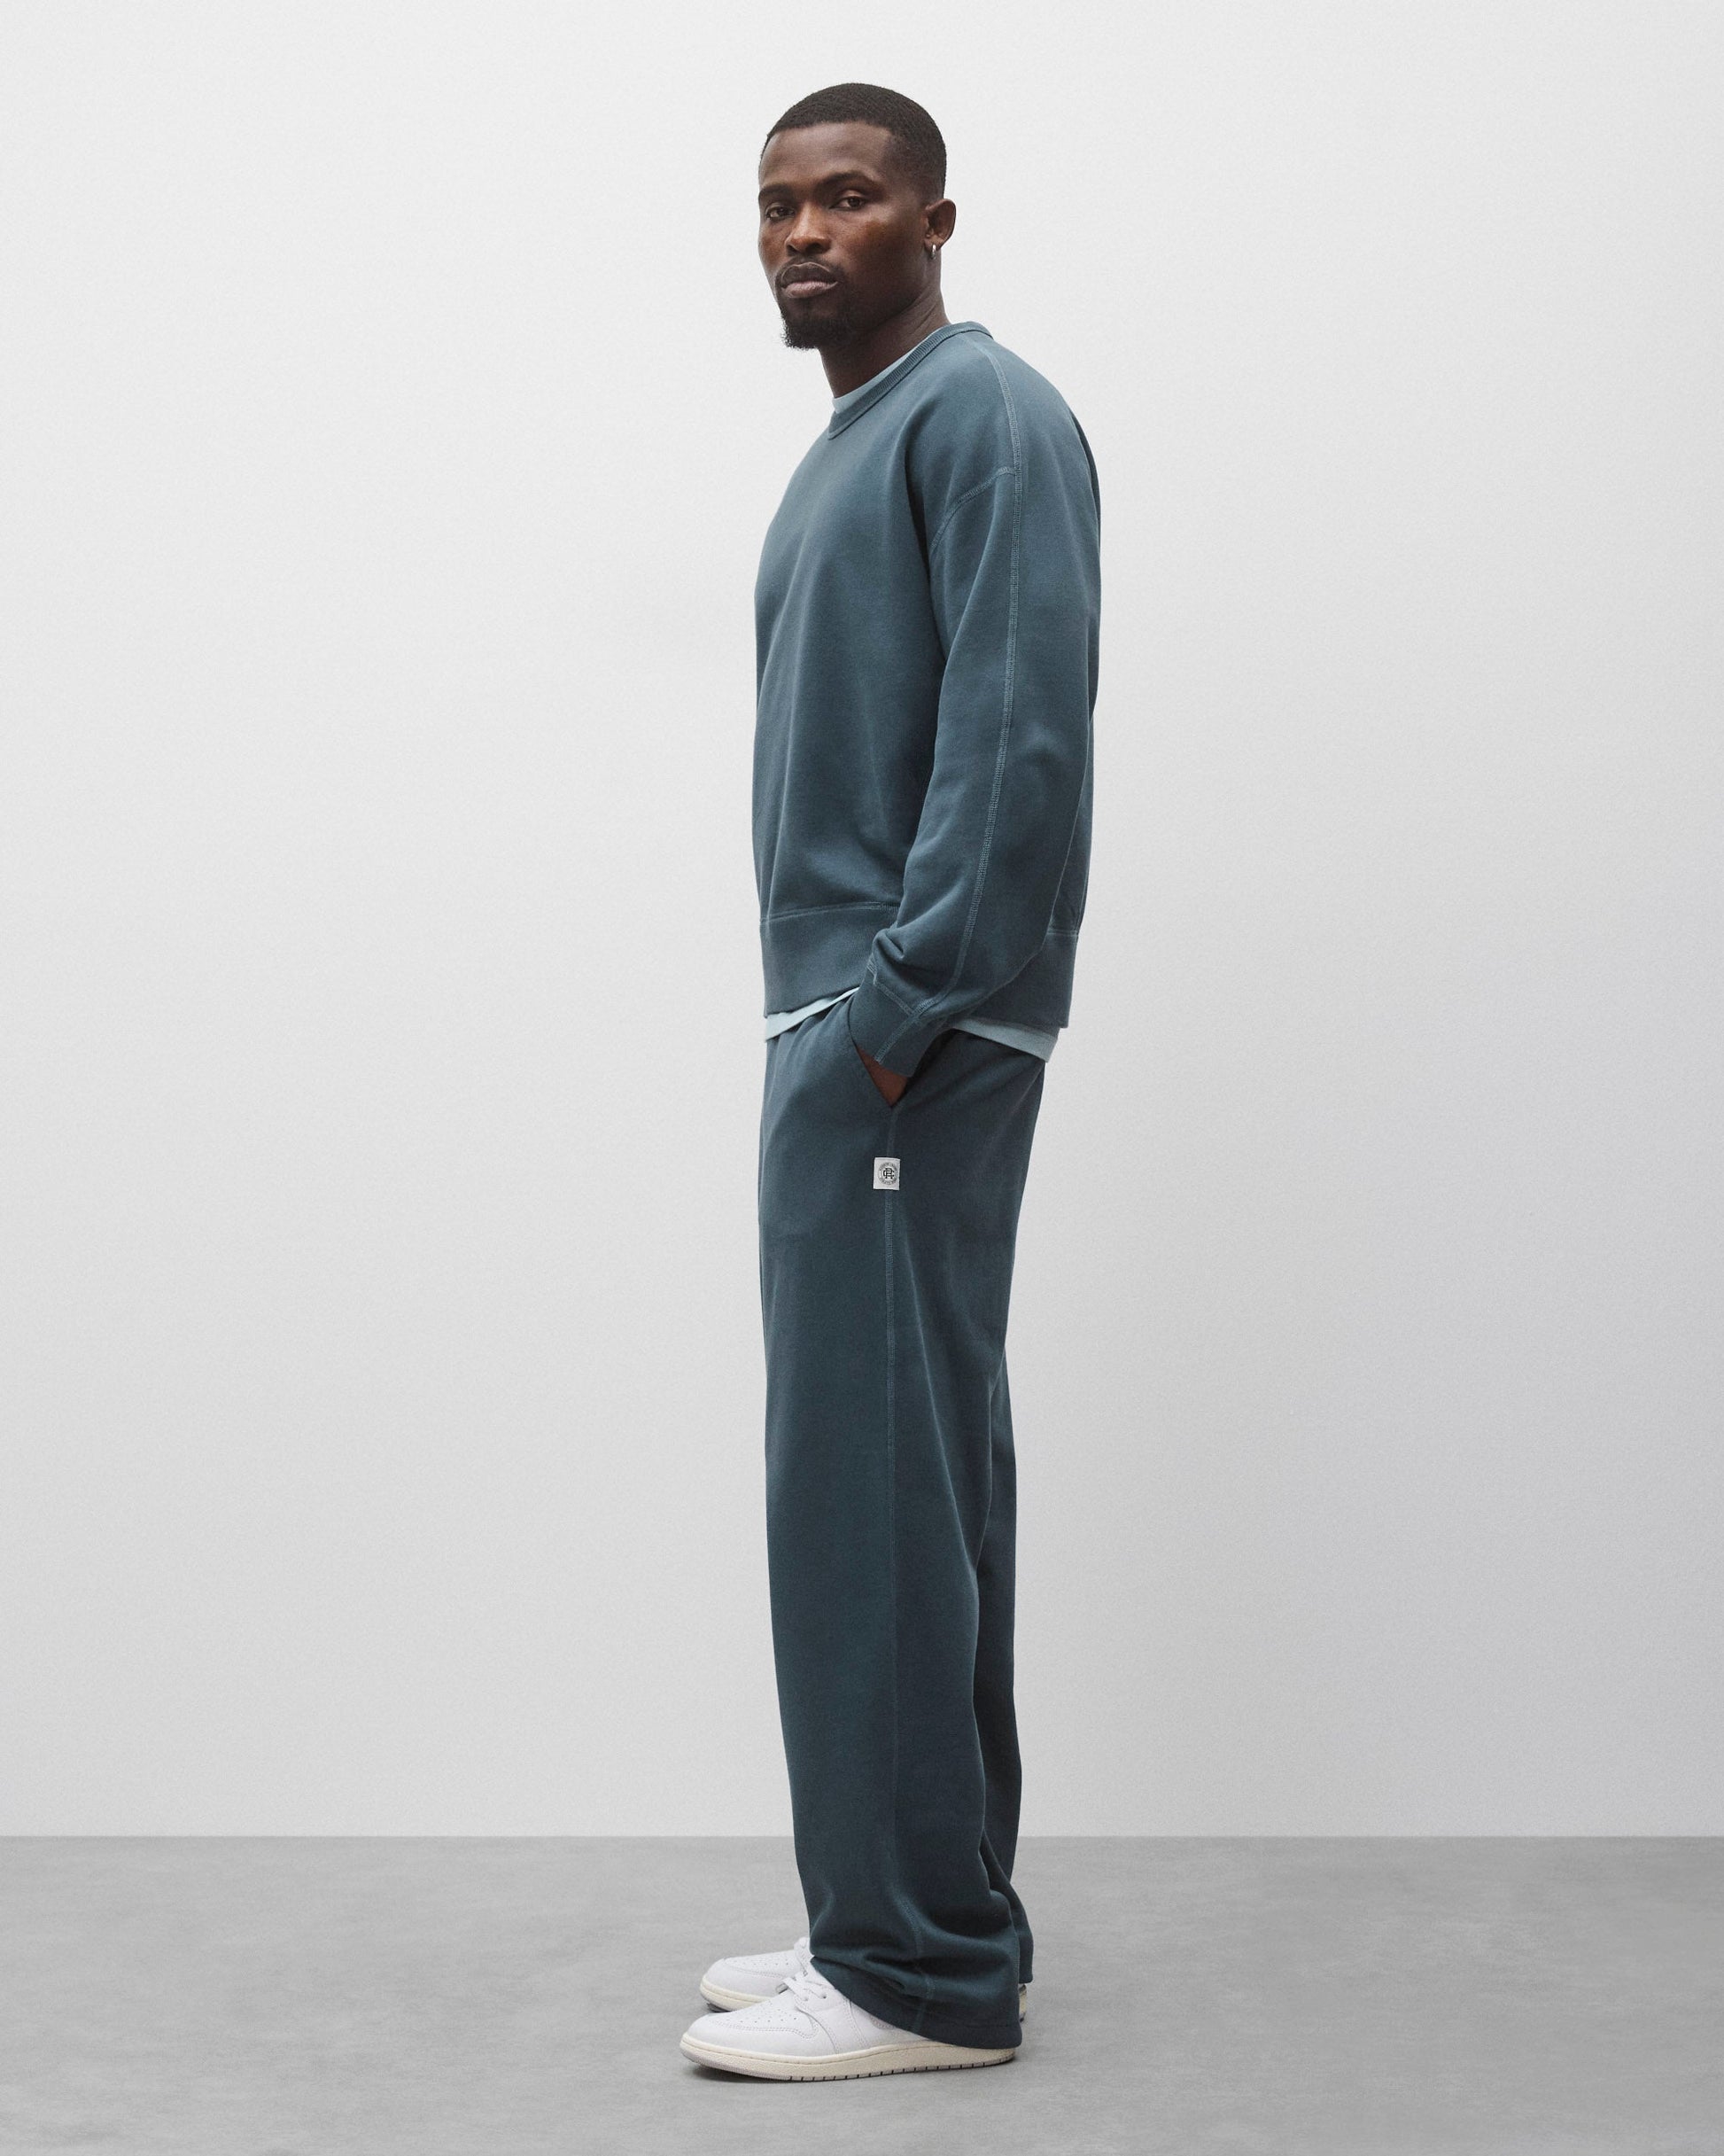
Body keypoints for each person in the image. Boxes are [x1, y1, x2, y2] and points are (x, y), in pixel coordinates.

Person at [679, 82, 1100, 2082]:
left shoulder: (980, 413)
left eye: (845, 198)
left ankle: (914, 1972)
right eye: (775, 205)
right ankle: (915, 1902)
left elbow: (1018, 738)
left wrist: (892, 1009)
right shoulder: (857, 439)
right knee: (904, 1492)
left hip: (900, 1034)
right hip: (862, 1029)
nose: (801, 234)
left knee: (866, 1499)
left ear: (934, 219)